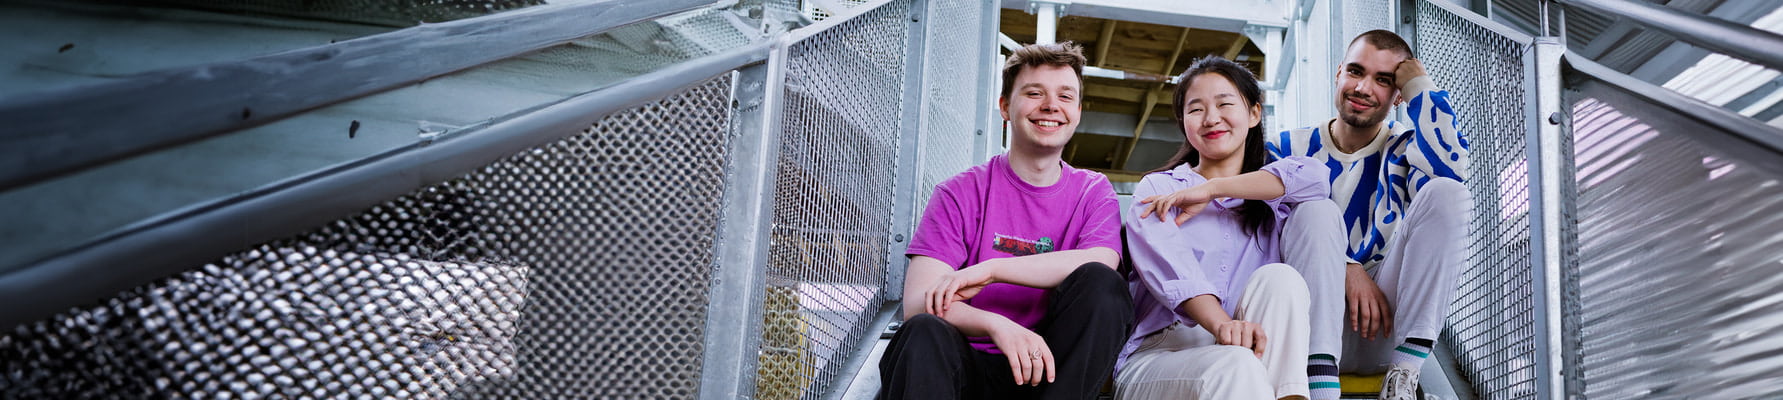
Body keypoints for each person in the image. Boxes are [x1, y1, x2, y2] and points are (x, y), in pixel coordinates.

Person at [875, 41, 1134, 400]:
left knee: (1103, 285)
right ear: (1005, 107)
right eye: (1034, 93)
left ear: (1076, 111)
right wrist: (997, 326)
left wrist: (991, 270)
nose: (1050, 106)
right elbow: (920, 302)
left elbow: (1101, 259)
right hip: (963, 369)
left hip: (1050, 375)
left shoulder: (1093, 191)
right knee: (922, 332)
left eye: (1065, 96)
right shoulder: (959, 192)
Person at [1115, 56, 1346, 400]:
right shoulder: (1158, 190)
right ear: (1183, 123)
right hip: (1162, 356)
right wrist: (1223, 325)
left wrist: (1213, 188)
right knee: (1236, 366)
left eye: (1225, 104)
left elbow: (1315, 179)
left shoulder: (1271, 198)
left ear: (1254, 114)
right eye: (1196, 110)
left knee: (1281, 279)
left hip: (1251, 355)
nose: (1211, 119)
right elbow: (1178, 272)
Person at [1264, 29, 1472, 400]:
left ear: (1396, 97)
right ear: (1339, 73)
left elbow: (1452, 174)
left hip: (1382, 329)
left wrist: (1419, 87)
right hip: (1303, 330)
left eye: (1384, 80)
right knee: (1315, 209)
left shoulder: (1405, 150)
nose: (1363, 88)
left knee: (1448, 192)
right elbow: (1264, 230)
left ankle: (1404, 375)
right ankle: (1320, 387)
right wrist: (1347, 266)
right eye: (1356, 72)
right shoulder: (1285, 148)